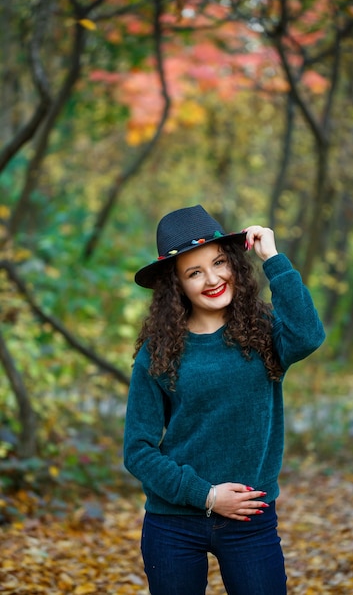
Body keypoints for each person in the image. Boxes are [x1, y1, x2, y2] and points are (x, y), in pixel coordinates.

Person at [124, 204, 325, 595]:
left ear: (234, 262)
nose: (212, 279)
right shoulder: (159, 351)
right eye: (194, 272)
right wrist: (209, 496)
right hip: (173, 523)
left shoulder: (263, 331)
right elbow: (138, 450)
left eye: (219, 263)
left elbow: (308, 335)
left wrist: (273, 258)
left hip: (251, 520)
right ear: (177, 284)